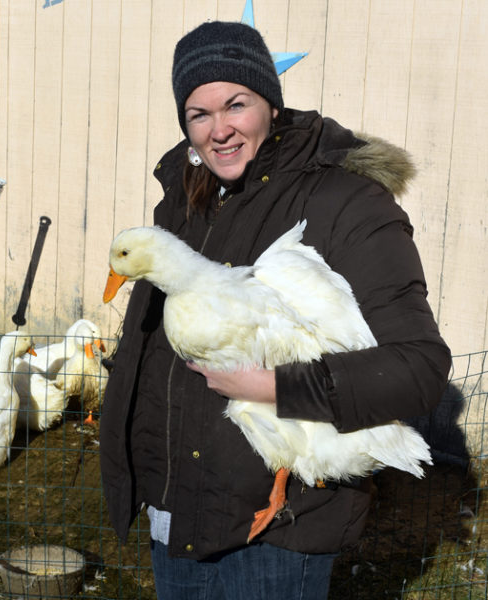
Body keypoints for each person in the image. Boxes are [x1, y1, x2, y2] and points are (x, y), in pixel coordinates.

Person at [99, 20, 451, 600]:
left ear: (270, 101)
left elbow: (417, 370)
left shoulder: (346, 201)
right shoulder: (185, 199)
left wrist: (273, 385)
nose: (219, 131)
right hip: (175, 514)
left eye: (235, 104)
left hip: (273, 536)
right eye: (198, 114)